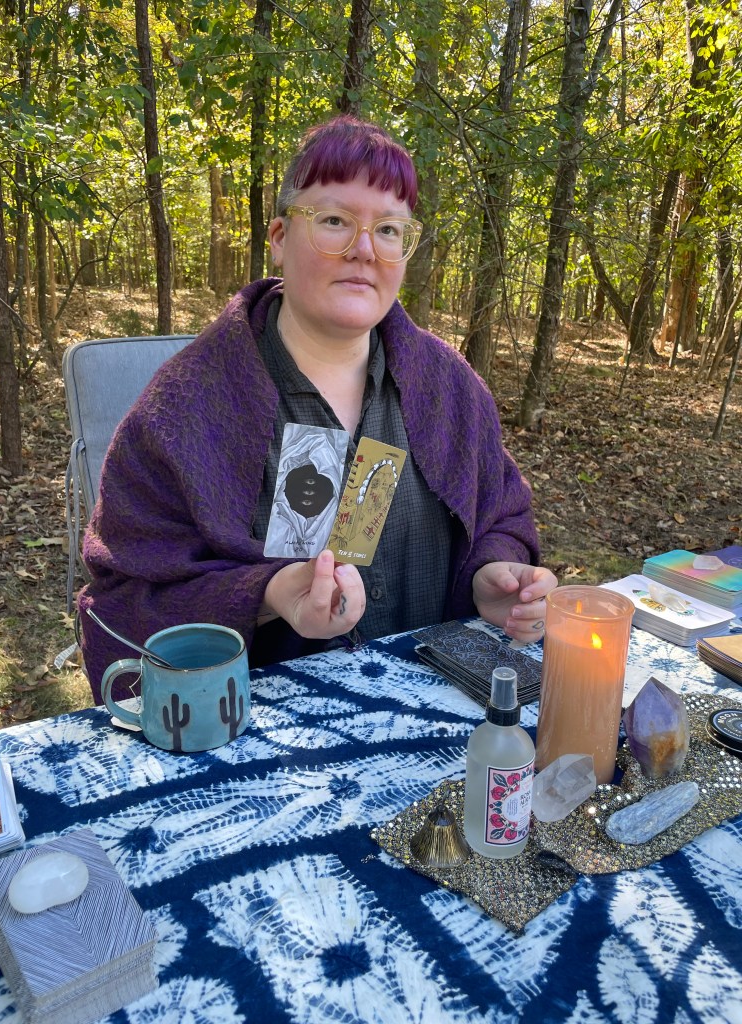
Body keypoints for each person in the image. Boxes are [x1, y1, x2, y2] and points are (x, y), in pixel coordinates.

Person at [79, 116, 557, 703]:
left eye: (388, 229)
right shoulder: (182, 410)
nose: (364, 250)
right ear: (279, 236)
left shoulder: (450, 388)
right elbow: (123, 596)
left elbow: (500, 516)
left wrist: (492, 578)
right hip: (262, 755)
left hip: (441, 726)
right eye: (334, 221)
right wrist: (270, 593)